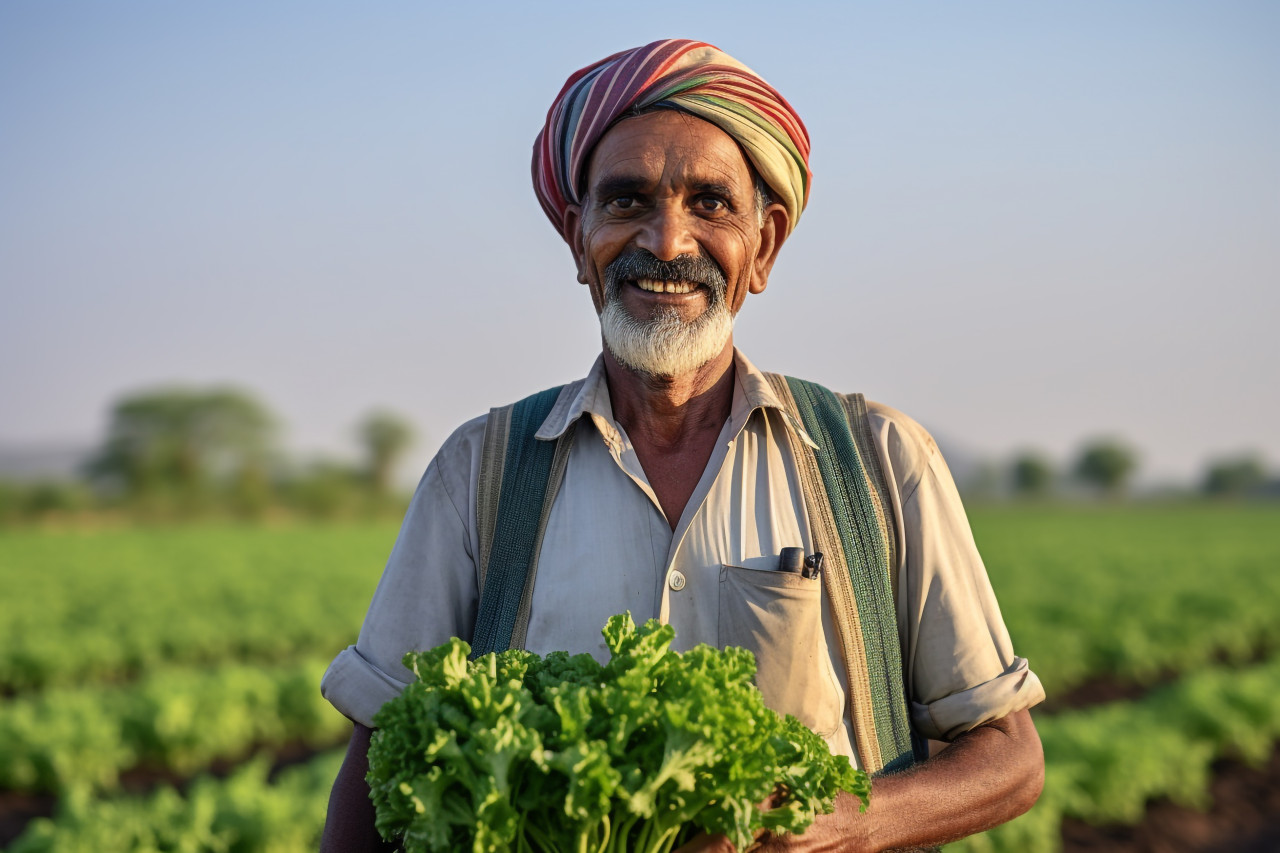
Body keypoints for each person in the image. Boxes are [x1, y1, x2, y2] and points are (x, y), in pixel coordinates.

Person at [320, 38, 1045, 852]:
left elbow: (1010, 758)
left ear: (763, 247)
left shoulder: (876, 460)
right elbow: (381, 751)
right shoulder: (480, 472)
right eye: (627, 202)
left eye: (710, 204)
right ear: (576, 236)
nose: (667, 242)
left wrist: (850, 822)